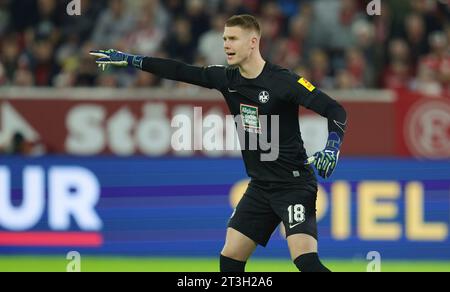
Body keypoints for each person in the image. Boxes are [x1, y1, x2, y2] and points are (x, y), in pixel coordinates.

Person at [90, 14, 347, 272]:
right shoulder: (228, 79)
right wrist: (132, 59)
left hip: (293, 185)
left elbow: (334, 109)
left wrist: (332, 147)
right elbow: (180, 70)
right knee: (230, 260)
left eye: (233, 38)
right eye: (225, 38)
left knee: (305, 261)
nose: (226, 44)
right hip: (260, 186)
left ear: (252, 42)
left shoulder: (283, 81)